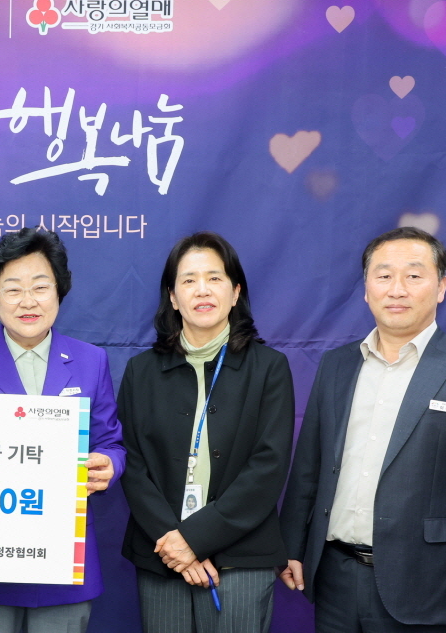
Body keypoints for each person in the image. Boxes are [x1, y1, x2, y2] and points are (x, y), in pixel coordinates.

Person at [279, 226, 446, 630]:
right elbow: (309, 467)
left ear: (441, 287)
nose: (397, 289)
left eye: (413, 275)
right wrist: (291, 545)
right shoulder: (337, 365)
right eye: (384, 275)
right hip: (334, 578)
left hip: (428, 582)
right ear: (366, 289)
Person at [0, 228, 125, 633]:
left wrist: (109, 464)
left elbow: (110, 441)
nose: (28, 301)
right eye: (13, 289)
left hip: (64, 560)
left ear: (59, 292)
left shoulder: (91, 361)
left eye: (40, 287)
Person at [118, 231, 294, 633]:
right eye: (189, 280)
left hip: (241, 556)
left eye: (215, 278)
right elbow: (133, 465)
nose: (202, 290)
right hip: (163, 555)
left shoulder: (269, 368)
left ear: (235, 293)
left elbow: (268, 468)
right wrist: (175, 542)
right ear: (172, 297)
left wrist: (195, 539)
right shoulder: (141, 372)